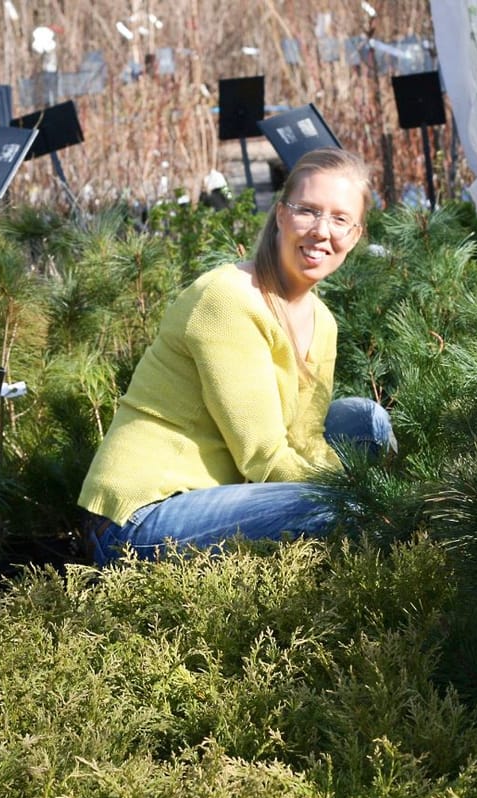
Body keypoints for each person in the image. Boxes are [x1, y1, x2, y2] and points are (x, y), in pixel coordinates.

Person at [78, 147, 395, 566]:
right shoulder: (228, 298)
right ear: (281, 215)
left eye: (340, 219)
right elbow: (263, 454)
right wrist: (367, 505)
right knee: (338, 509)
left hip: (218, 495)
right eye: (308, 211)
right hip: (140, 516)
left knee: (364, 421)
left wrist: (365, 494)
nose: (322, 231)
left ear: (354, 235)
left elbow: (305, 437)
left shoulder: (322, 321)